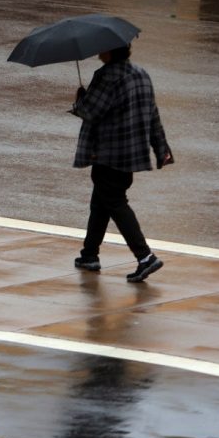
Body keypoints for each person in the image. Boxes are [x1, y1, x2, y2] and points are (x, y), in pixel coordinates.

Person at [69, 44, 173, 282]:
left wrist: (80, 99)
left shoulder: (107, 76)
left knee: (114, 202)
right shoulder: (141, 73)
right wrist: (161, 148)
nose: (98, 52)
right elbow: (153, 114)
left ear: (110, 51)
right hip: (131, 154)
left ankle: (145, 257)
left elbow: (90, 111)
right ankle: (89, 254)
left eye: (102, 49)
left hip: (108, 153)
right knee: (101, 202)